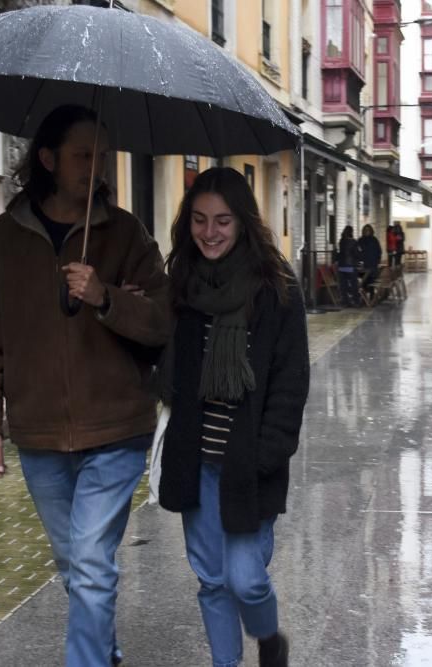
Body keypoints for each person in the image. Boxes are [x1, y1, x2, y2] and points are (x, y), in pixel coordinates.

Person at [0, 105, 171, 667]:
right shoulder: (5, 237)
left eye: (104, 155)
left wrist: (106, 297)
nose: (96, 167)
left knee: (91, 562)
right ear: (48, 160)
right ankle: (102, 648)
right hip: (40, 435)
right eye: (84, 155)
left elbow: (162, 321)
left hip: (116, 428)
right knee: (73, 564)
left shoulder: (126, 233)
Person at [158, 167, 310, 667]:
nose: (210, 232)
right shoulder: (180, 283)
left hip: (248, 462)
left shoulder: (276, 288)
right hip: (196, 458)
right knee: (211, 579)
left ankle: (268, 638)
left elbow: (290, 383)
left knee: (245, 577)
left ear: (243, 221)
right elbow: (159, 359)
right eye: (199, 220)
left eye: (222, 220)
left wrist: (267, 453)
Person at [336, 225, 361, 307]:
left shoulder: (341, 241)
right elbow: (357, 254)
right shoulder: (353, 241)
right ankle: (356, 301)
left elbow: (340, 253)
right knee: (354, 284)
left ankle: (345, 302)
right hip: (350, 266)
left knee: (343, 285)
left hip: (341, 266)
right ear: (351, 232)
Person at [357, 223, 382, 301]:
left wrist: (377, 261)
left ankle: (371, 295)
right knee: (364, 279)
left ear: (371, 231)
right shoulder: (360, 240)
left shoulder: (374, 240)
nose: (367, 231)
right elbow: (357, 251)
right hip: (364, 265)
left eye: (368, 230)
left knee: (371, 279)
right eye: (365, 230)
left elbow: (379, 251)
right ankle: (364, 296)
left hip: (373, 264)